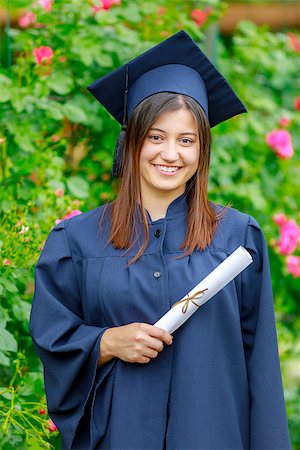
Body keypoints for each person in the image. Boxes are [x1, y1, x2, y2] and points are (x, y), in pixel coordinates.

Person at [30, 30, 291, 450]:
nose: (170, 153)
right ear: (131, 141)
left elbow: (259, 368)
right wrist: (106, 342)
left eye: (186, 140)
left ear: (201, 150)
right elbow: (52, 338)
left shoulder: (238, 237)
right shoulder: (76, 242)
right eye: (156, 136)